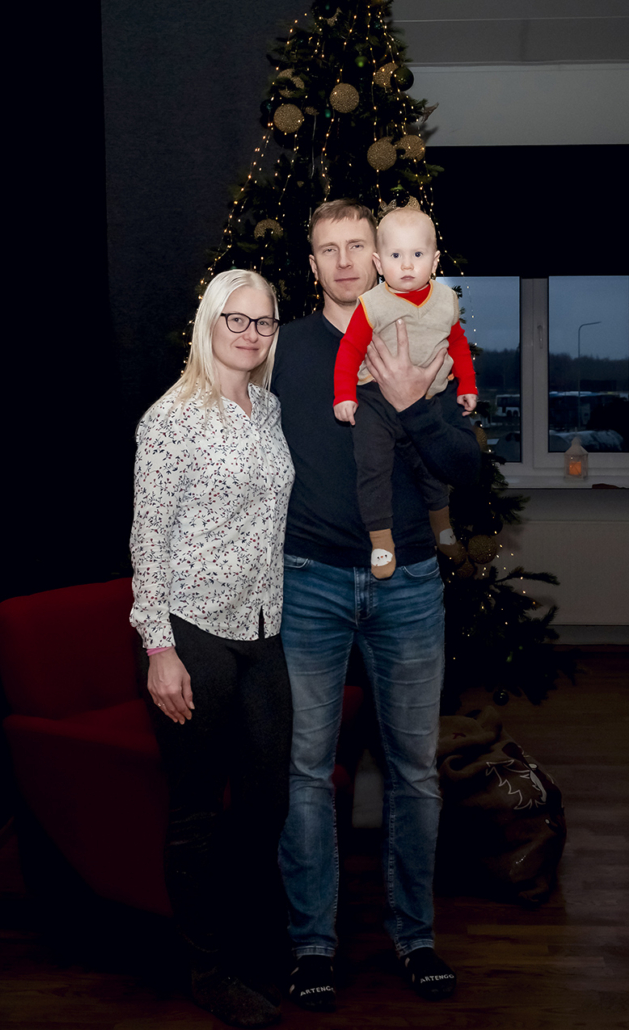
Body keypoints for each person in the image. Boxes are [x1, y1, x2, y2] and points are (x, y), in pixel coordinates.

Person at [271, 199, 481, 1010]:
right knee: (305, 770)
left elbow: (463, 468)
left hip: (410, 584)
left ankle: (413, 936)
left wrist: (414, 401)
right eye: (327, 249)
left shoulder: (424, 331)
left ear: (385, 254)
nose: (344, 260)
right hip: (309, 581)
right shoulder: (283, 348)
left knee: (413, 772)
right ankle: (311, 945)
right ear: (312, 264)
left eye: (357, 245)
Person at [129, 269, 295, 1029]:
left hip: (262, 628)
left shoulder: (268, 408)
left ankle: (244, 942)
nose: (251, 334)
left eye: (264, 322)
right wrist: (158, 649)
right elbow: (148, 540)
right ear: (210, 322)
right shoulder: (171, 418)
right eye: (238, 319)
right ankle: (207, 969)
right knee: (197, 808)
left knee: (265, 802)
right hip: (191, 631)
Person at [333, 206, 477, 578]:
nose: (407, 264)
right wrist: (344, 394)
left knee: (429, 468)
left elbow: (457, 344)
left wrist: (467, 384)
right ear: (379, 263)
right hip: (375, 400)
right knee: (373, 466)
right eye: (396, 255)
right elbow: (350, 349)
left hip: (426, 398)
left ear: (435, 260)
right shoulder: (373, 304)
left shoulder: (445, 300)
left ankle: (442, 527)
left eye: (417, 254)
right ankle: (382, 541)